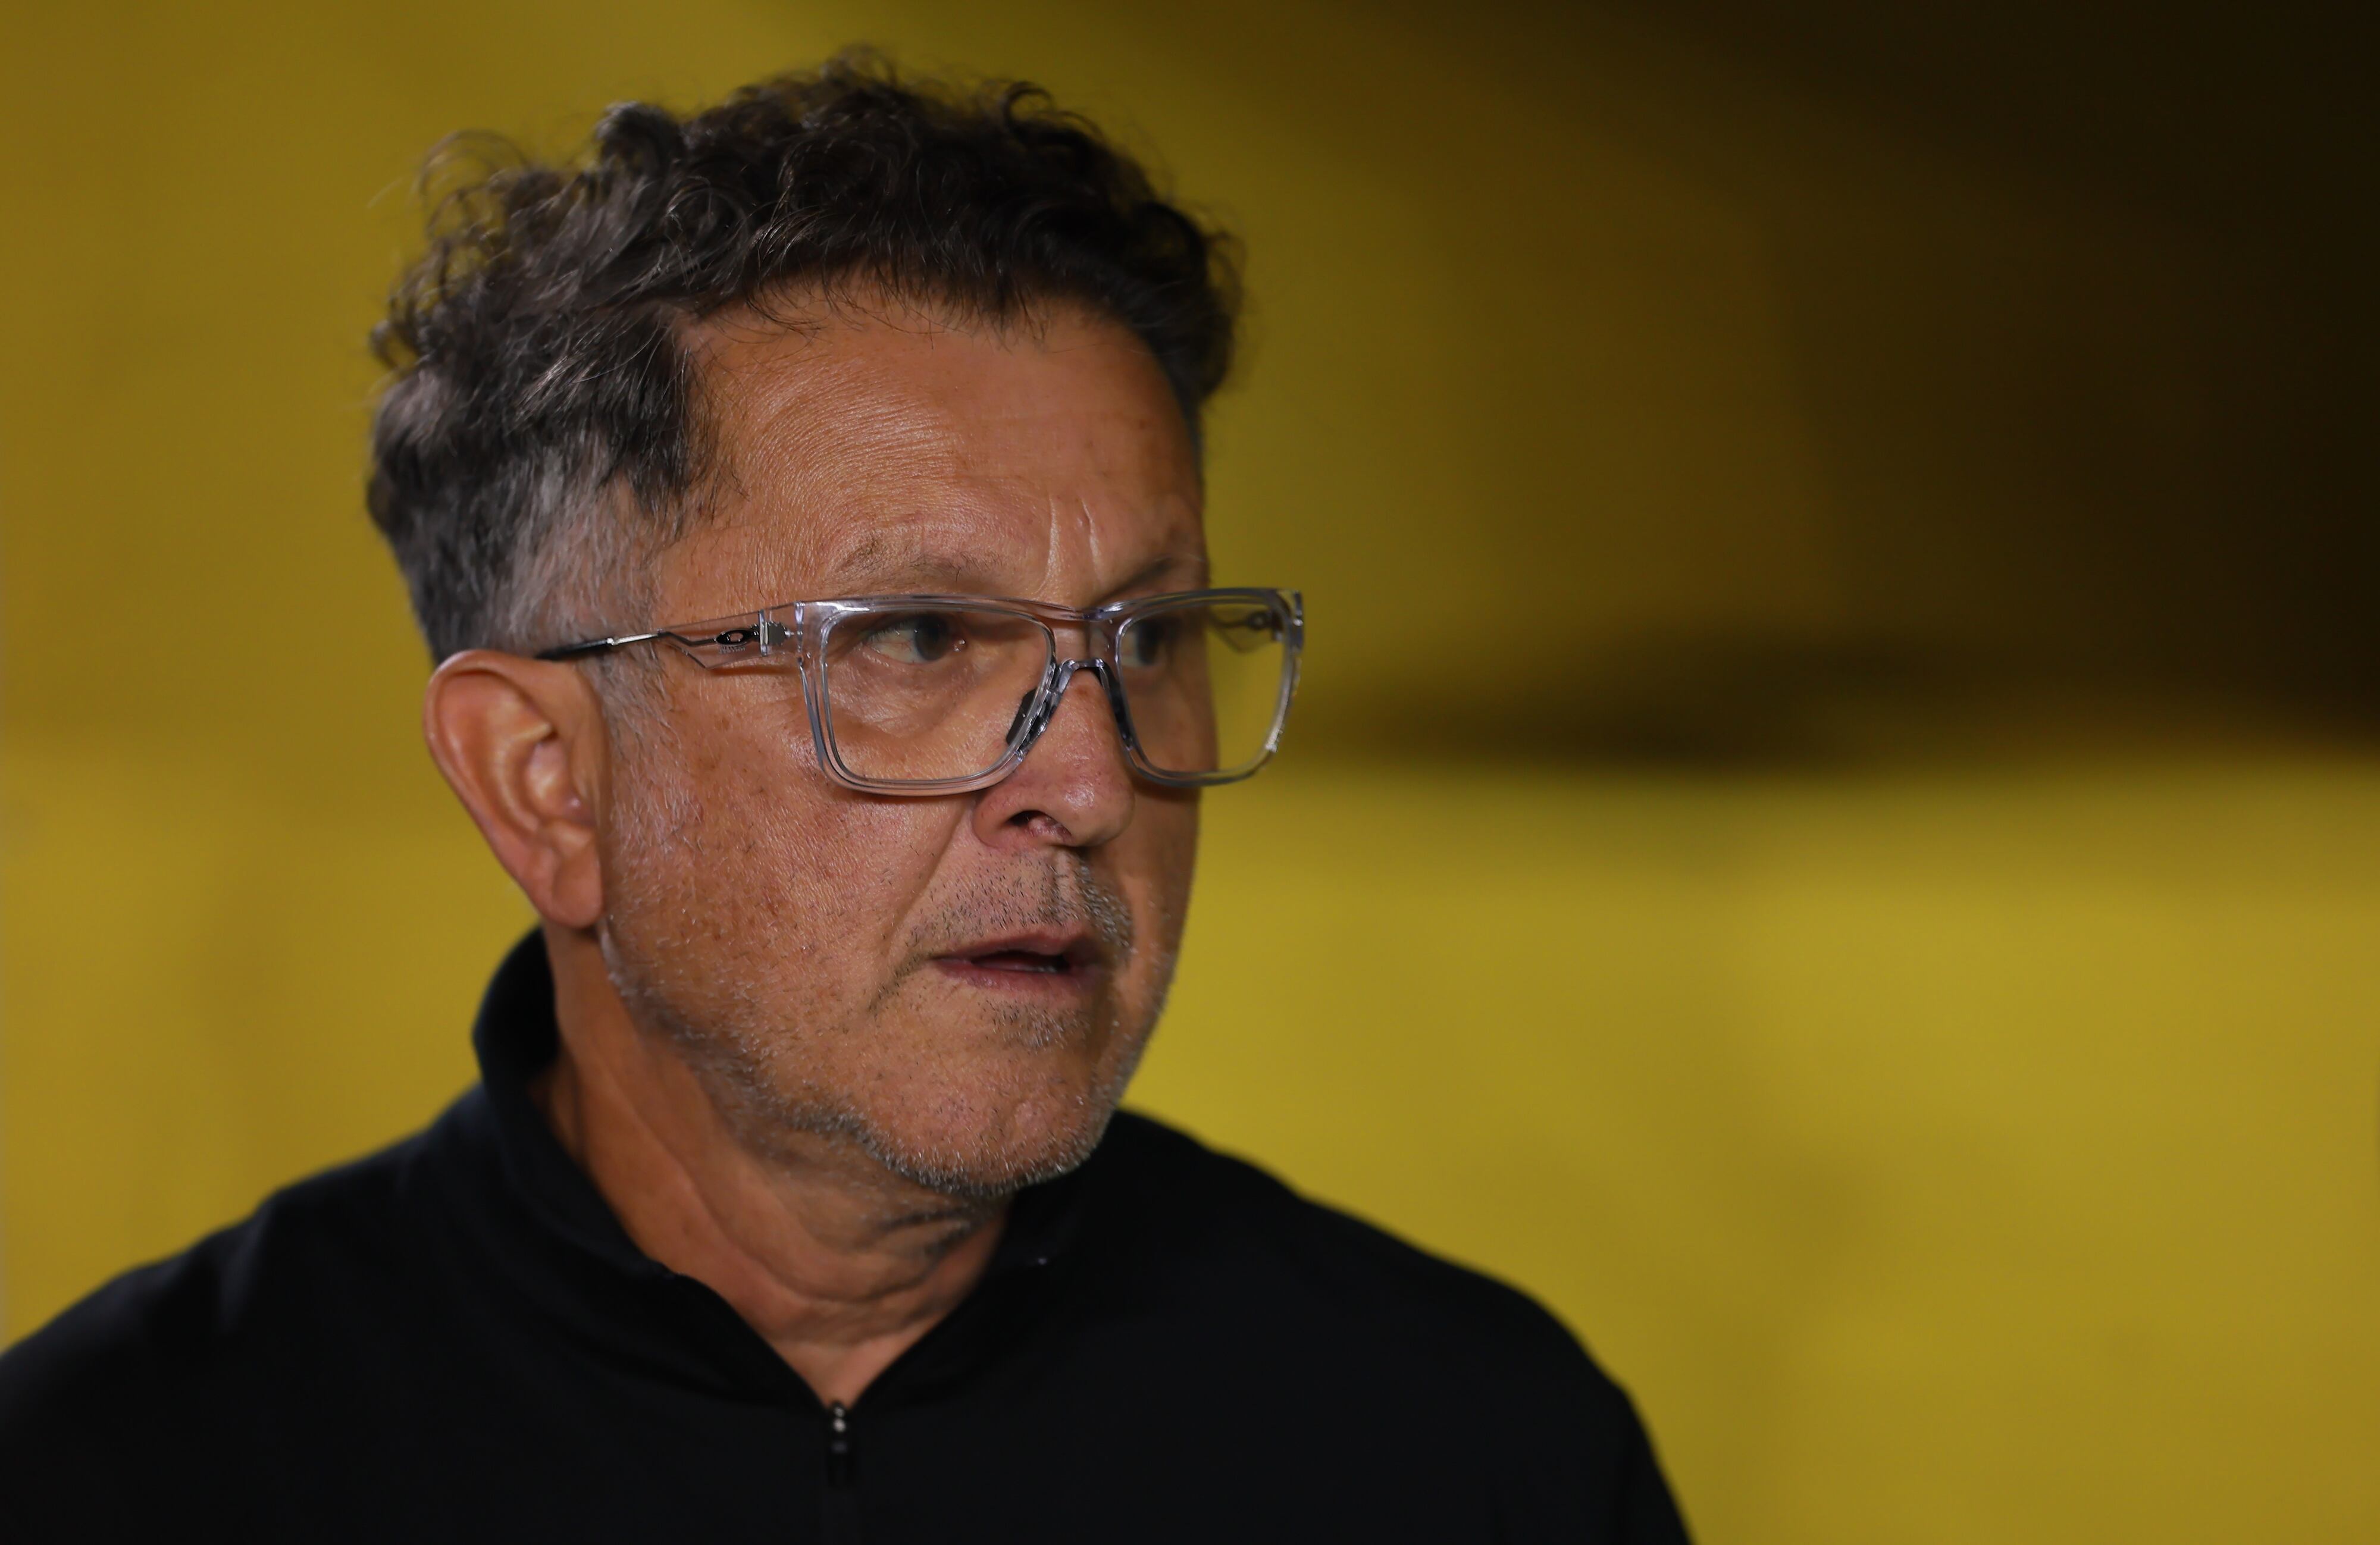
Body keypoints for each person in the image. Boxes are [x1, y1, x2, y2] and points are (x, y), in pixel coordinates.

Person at [0, 55, 1689, 1542]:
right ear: (547, 784)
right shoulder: (114, 1477)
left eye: (1152, 637)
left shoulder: (1479, 1453)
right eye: (917, 636)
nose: (1091, 779)